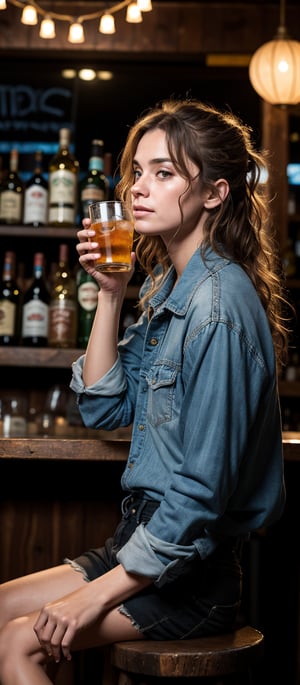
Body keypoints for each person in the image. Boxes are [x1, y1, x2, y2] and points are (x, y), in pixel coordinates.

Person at [0, 99, 290, 684]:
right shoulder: (167, 285)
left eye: (164, 174)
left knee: (17, 645)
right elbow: (105, 408)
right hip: (142, 546)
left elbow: (201, 496)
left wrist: (88, 600)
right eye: (137, 171)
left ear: (214, 193)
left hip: (193, 574)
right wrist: (111, 293)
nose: (139, 187)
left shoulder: (218, 305)